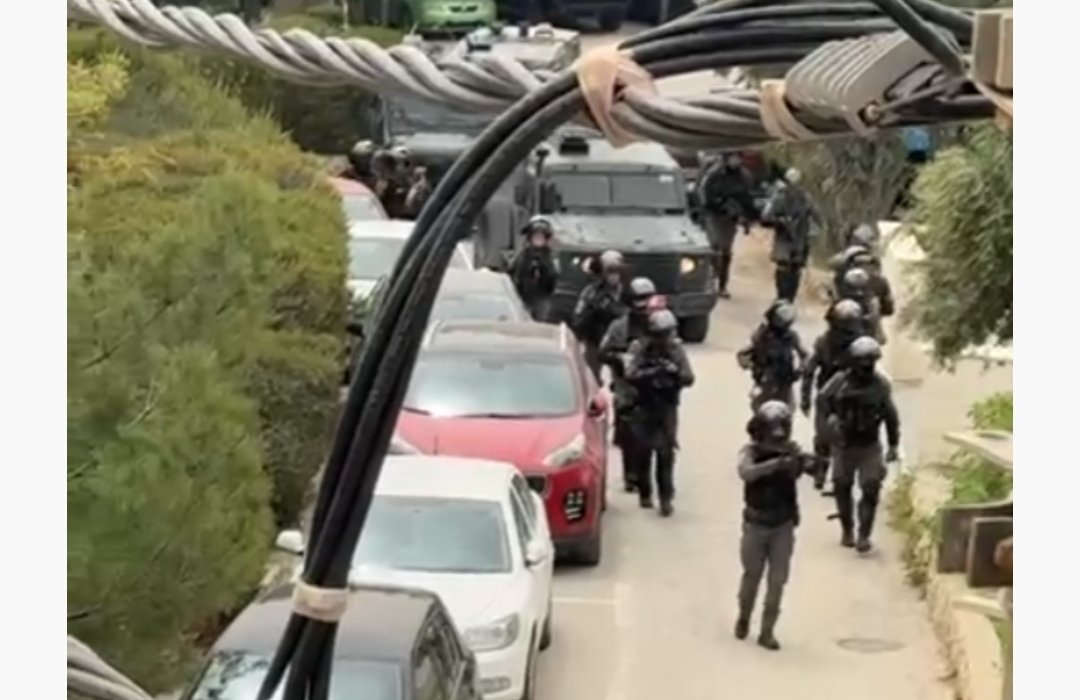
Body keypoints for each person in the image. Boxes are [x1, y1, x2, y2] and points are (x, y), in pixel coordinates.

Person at [735, 400, 815, 650]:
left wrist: (806, 463)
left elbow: (810, 468)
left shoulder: (791, 450)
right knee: (752, 576)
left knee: (777, 581)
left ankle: (767, 631)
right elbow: (746, 472)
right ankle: (744, 617)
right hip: (756, 523)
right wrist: (775, 464)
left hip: (783, 524)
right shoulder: (750, 451)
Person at [816, 336, 901, 553]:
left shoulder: (881, 385)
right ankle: (847, 530)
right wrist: (828, 426)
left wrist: (893, 445)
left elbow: (891, 416)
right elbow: (822, 401)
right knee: (841, 485)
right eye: (862, 361)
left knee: (871, 487)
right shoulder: (839, 381)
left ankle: (864, 535)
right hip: (844, 443)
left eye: (870, 361)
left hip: (869, 444)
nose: (866, 366)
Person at [624, 309, 695, 516]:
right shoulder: (640, 348)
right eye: (662, 335)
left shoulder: (676, 350)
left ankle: (666, 497)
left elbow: (689, 377)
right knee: (643, 451)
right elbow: (630, 373)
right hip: (644, 405)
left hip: (667, 406)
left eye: (668, 334)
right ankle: (645, 492)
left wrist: (673, 371)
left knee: (666, 453)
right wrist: (653, 372)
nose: (666, 339)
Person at [599, 277, 659, 493]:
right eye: (639, 300)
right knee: (627, 434)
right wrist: (620, 357)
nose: (643, 305)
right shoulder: (619, 326)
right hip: (626, 387)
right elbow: (603, 352)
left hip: (653, 387)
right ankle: (630, 474)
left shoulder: (659, 324)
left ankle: (646, 476)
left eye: (647, 299)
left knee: (652, 436)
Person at [800, 298, 866, 490]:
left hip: (852, 396)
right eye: (845, 325)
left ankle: (843, 477)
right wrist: (805, 397)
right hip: (827, 396)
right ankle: (821, 471)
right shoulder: (824, 343)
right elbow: (809, 370)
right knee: (823, 437)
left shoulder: (861, 344)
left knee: (851, 436)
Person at [697, 152, 758, 298]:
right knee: (714, 246)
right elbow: (704, 194)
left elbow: (747, 198)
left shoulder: (744, 176)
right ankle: (709, 280)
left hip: (731, 217)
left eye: (738, 157)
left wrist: (748, 217)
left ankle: (722, 285)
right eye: (733, 157)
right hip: (714, 214)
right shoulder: (714, 174)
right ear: (726, 158)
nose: (736, 161)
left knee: (726, 251)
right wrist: (718, 206)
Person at [761, 168, 820, 302]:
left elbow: (817, 217)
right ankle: (781, 296)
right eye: (791, 182)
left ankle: (790, 298)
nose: (794, 186)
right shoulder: (779, 197)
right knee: (783, 267)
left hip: (800, 239)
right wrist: (780, 221)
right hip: (784, 237)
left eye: (797, 183)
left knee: (795, 269)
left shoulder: (806, 199)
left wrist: (813, 231)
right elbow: (766, 217)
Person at [736, 301, 807, 412]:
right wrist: (751, 366)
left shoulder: (791, 336)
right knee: (759, 409)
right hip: (765, 382)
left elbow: (805, 355)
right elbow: (742, 354)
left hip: (785, 381)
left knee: (788, 411)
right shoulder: (762, 335)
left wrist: (800, 371)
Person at [572, 250, 628, 382]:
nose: (614, 277)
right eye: (610, 272)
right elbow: (578, 319)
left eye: (617, 272)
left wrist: (614, 310)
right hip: (595, 340)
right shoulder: (591, 292)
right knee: (591, 377)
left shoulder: (626, 291)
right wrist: (592, 310)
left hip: (619, 344)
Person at [508, 216, 559, 322]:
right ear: (530, 237)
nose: (538, 239)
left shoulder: (550, 257)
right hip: (522, 297)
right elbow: (513, 274)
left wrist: (543, 265)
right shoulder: (522, 255)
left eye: (541, 237)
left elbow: (553, 278)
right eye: (536, 236)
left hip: (541, 297)